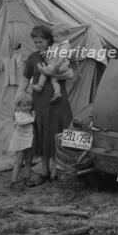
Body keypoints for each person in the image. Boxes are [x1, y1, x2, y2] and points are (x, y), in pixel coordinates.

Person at [17, 25, 73, 185]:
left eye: (40, 41)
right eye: (35, 42)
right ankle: (45, 171)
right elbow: (25, 79)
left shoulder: (59, 53)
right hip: (39, 103)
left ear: (49, 39)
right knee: (41, 135)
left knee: (57, 134)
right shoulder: (33, 57)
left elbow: (70, 74)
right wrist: (19, 96)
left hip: (57, 103)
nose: (37, 45)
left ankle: (56, 171)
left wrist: (50, 67)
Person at [31, 24, 71, 103]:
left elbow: (62, 57)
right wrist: (47, 52)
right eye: (54, 37)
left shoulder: (64, 46)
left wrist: (57, 65)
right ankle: (57, 93)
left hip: (59, 64)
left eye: (57, 37)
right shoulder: (57, 45)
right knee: (54, 81)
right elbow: (53, 52)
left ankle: (40, 85)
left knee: (44, 71)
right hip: (56, 64)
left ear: (65, 37)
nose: (55, 39)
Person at [8, 92, 35, 190]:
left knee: (28, 161)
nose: (27, 107)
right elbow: (21, 122)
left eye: (29, 105)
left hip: (29, 140)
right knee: (19, 162)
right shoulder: (18, 114)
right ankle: (13, 181)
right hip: (20, 140)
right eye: (24, 105)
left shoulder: (29, 113)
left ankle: (26, 179)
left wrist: (32, 116)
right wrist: (32, 118)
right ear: (19, 105)